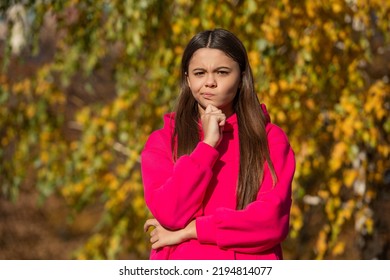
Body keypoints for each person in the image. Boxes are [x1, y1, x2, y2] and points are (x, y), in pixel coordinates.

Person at [141, 28, 295, 260]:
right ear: (187, 78)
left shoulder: (270, 139)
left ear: (241, 76)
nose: (210, 82)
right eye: (200, 73)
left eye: (222, 72)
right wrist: (207, 146)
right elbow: (169, 213)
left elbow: (270, 222)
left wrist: (191, 231)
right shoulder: (163, 140)